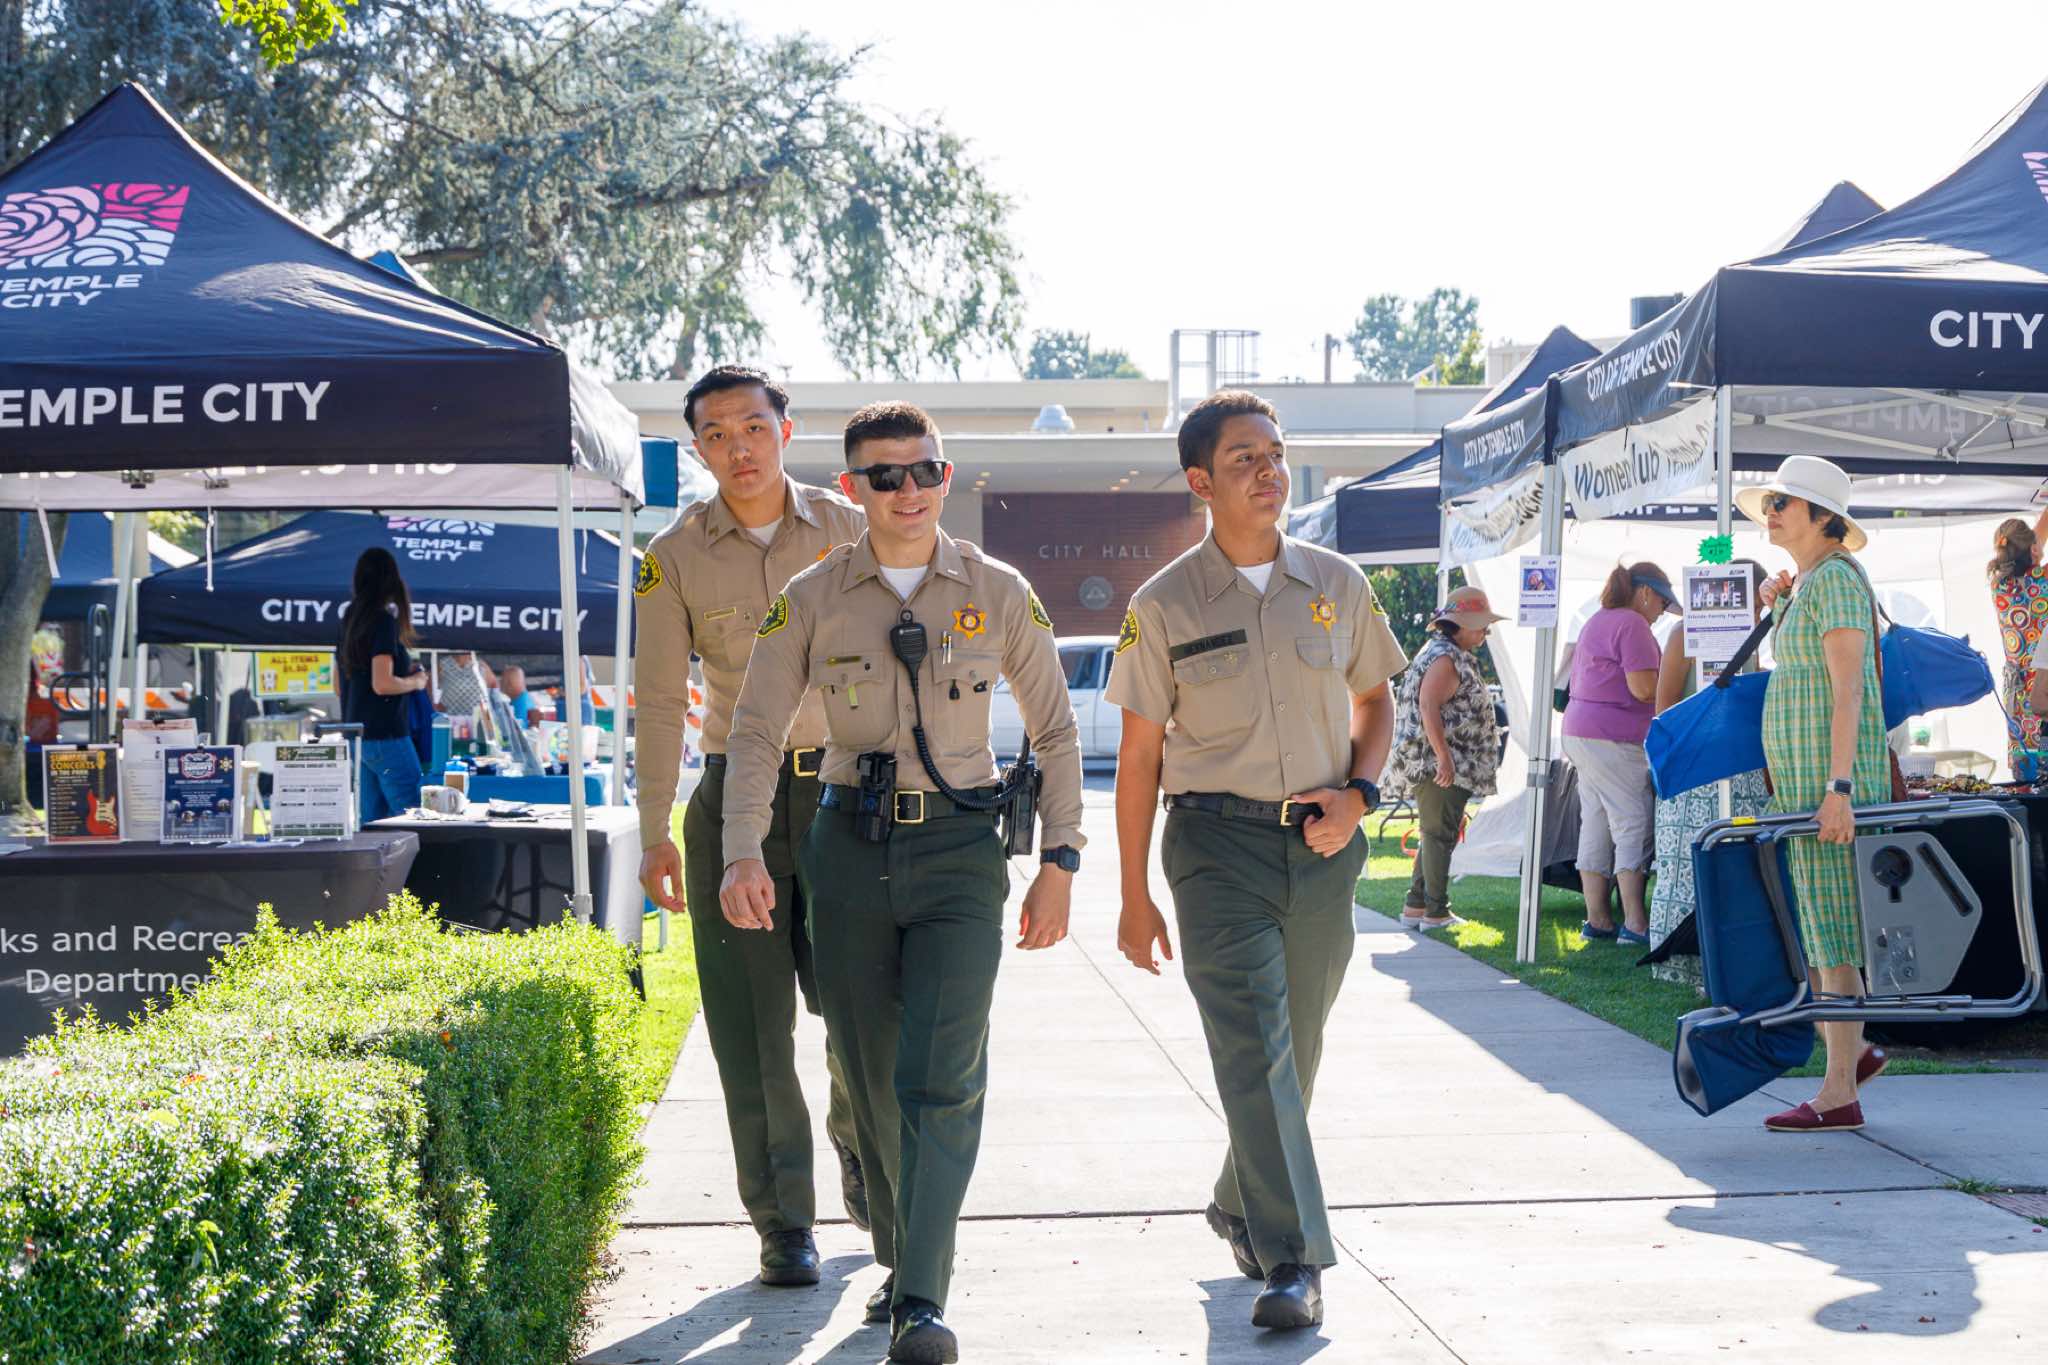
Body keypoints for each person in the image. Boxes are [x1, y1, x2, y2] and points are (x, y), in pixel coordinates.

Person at [719, 400, 1083, 1364]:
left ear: (945, 478)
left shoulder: (998, 589)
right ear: (854, 487)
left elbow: (1055, 731)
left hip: (962, 853)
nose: (908, 490)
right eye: (885, 476)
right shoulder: (811, 595)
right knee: (871, 1072)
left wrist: (1061, 859)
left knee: (942, 1075)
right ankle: (900, 1250)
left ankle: (921, 1297)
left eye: (925, 471)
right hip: (846, 848)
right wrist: (742, 847)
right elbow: (755, 729)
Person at [1105, 390, 1403, 1334]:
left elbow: (1377, 703)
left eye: (1274, 453)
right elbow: (1140, 759)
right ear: (1200, 482)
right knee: (1254, 1046)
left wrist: (1359, 796)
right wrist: (1133, 894)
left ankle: (1240, 1197)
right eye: (1244, 458)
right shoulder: (1161, 606)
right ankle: (1292, 1258)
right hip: (1214, 848)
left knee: (1294, 1051)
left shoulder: (1336, 582)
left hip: (1322, 845)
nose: (1268, 470)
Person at [633, 366, 869, 1292]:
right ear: (698, 449)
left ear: (786, 430)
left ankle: (858, 1141)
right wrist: (656, 828)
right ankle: (784, 1221)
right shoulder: (673, 556)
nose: (740, 447)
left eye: (754, 426)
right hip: (738, 804)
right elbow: (660, 701)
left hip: (848, 797)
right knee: (754, 1030)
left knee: (859, 1008)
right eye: (718, 433)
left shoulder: (852, 526)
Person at [1741, 456, 1894, 1132]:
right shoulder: (1811, 582)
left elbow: (1849, 690)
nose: (1770, 512)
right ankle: (1849, 1058)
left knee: (1833, 938)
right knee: (1824, 932)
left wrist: (1839, 788)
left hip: (1827, 788)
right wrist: (1776, 601)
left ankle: (1838, 1093)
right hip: (1807, 787)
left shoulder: (1833, 579)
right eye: (1771, 502)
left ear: (1823, 516)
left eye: (1784, 502)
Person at [1647, 561, 1773, 988]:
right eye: (1754, 602)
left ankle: (1737, 957)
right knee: (1686, 864)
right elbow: (1664, 709)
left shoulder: (1757, 637)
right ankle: (1681, 964)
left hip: (1743, 769)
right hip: (1694, 769)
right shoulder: (1684, 634)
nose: (1755, 612)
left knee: (1740, 863)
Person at [1560, 561, 1679, 945]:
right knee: (1632, 822)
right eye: (1662, 602)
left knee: (1595, 823)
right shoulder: (1632, 624)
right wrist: (1677, 683)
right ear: (1644, 593)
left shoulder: (1599, 619)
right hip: (1615, 739)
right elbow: (1644, 689)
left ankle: (1598, 920)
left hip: (1580, 732)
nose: (1663, 611)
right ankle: (1636, 924)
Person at [1385, 586, 1504, 931]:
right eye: (1482, 625)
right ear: (1462, 624)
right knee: (1440, 835)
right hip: (1438, 762)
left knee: (1436, 833)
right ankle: (1436, 912)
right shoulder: (1445, 657)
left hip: (1439, 760)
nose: (1486, 632)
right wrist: (1444, 758)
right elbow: (1428, 705)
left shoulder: (1444, 652)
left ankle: (1416, 905)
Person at [336, 547, 429, 824]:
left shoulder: (350, 619)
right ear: (391, 580)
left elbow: (338, 686)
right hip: (386, 735)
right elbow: (382, 683)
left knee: (371, 823)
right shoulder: (383, 621)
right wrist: (415, 682)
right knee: (411, 816)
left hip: (356, 734)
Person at [1987, 510, 2048, 774]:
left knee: (2025, 771)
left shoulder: (1998, 586)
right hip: (2044, 689)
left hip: (2017, 695)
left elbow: (2029, 543)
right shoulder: (2043, 581)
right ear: (2033, 550)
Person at [435, 650, 495, 720]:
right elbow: (431, 694)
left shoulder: (481, 666)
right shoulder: (443, 664)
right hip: (450, 719)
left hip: (478, 720)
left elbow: (494, 690)